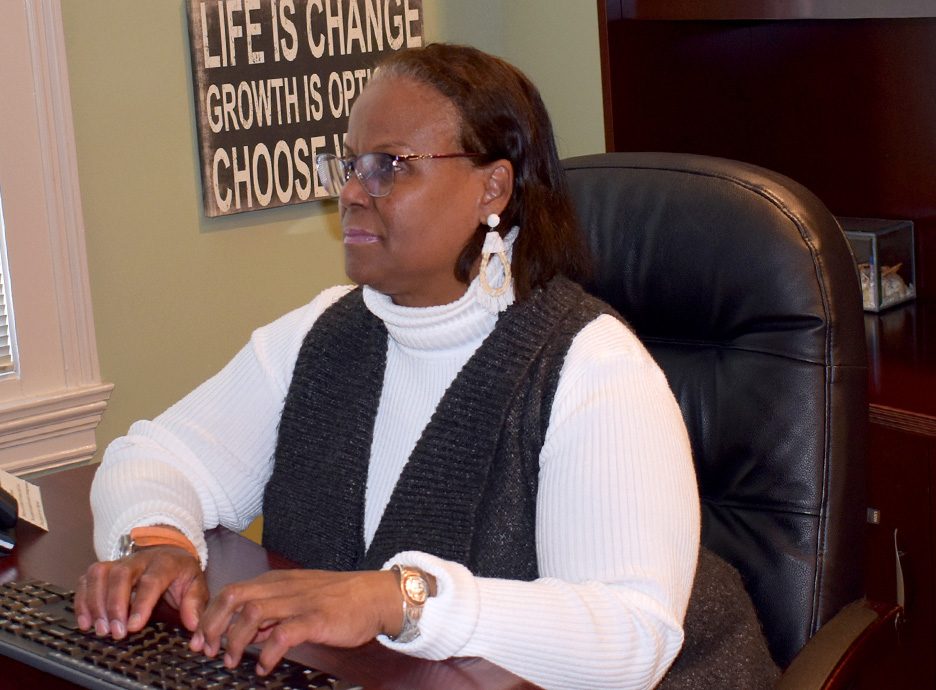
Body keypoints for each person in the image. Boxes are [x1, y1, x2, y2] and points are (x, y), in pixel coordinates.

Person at [75, 43, 705, 690]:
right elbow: (155, 456)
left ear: (493, 188)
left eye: (389, 167)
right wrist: (158, 544)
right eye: (349, 165)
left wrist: (395, 598)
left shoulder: (594, 368)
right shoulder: (326, 332)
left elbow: (632, 637)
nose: (349, 192)